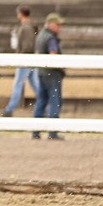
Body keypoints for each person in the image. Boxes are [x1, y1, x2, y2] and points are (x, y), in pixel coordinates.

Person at [32, 12, 66, 140]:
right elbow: (53, 55)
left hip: (41, 72)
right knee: (55, 102)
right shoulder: (51, 38)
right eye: (57, 25)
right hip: (52, 73)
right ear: (51, 24)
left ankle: (35, 131)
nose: (59, 27)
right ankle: (52, 132)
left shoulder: (41, 35)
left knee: (41, 101)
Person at [2, 5, 39, 117]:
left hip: (24, 60)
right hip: (28, 59)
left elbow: (27, 46)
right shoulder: (28, 26)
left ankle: (9, 109)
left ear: (21, 13)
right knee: (35, 85)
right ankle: (45, 105)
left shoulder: (26, 27)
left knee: (18, 84)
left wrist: (21, 56)